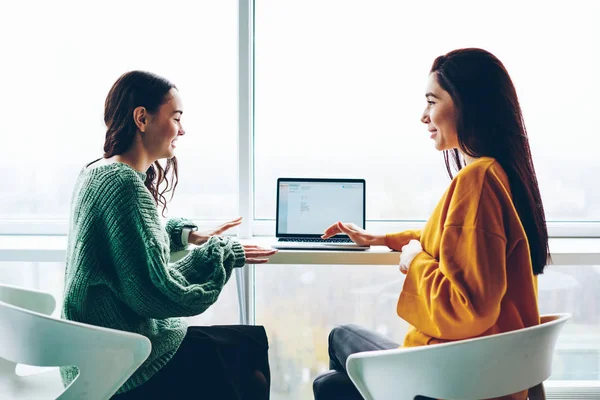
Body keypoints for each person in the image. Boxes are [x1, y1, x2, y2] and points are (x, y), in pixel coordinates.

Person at [313, 48, 549, 400]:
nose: (424, 116)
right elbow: (460, 244)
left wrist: (414, 260)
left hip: (456, 378)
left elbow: (468, 309)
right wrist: (382, 238)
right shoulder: (503, 174)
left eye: (432, 101)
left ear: (467, 105)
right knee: (333, 383)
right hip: (486, 374)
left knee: (339, 340)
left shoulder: (478, 181)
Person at [61, 70, 277, 399]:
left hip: (95, 354)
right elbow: (157, 293)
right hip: (122, 365)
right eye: (176, 117)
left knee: (245, 348)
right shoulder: (123, 185)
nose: (182, 129)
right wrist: (224, 251)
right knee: (251, 353)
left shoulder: (97, 173)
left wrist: (185, 235)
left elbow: (127, 247)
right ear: (142, 118)